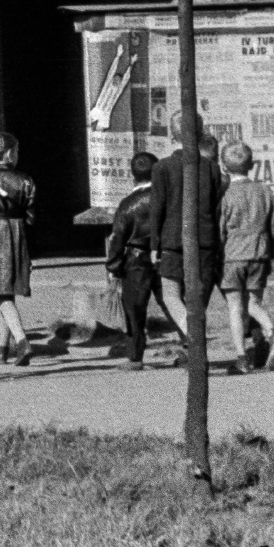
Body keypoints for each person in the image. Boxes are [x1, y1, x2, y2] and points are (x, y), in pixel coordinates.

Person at [149, 117, 226, 344]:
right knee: (199, 298)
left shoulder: (162, 167)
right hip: (205, 239)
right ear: (201, 134)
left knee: (171, 295)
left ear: (173, 136)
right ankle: (193, 341)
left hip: (172, 239)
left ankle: (192, 336)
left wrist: (154, 245)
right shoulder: (212, 168)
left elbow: (157, 208)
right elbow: (215, 206)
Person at [215, 141, 274, 374]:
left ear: (224, 167)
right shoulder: (264, 190)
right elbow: (272, 227)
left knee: (235, 307)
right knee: (254, 303)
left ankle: (241, 357)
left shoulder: (225, 194)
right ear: (251, 165)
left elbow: (221, 229)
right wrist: (270, 254)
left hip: (232, 254)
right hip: (260, 252)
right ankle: (272, 331)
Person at [0, 133, 37, 366]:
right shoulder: (25, 180)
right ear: (10, 153)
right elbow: (31, 217)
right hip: (16, 236)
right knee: (6, 292)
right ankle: (3, 347)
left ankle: (18, 341)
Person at [103, 152, 163, 369]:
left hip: (136, 260)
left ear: (133, 175)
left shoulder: (127, 204)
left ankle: (135, 356)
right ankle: (189, 346)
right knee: (172, 302)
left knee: (133, 309)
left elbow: (118, 237)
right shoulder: (166, 198)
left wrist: (113, 266)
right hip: (165, 256)